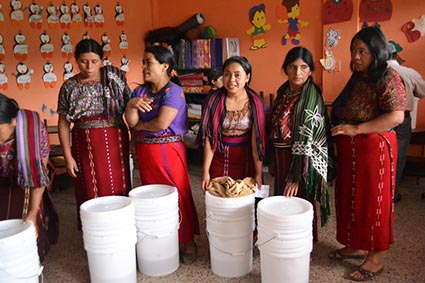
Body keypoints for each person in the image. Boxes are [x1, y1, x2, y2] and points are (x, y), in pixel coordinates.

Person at [329, 26, 406, 281]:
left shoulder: (387, 77)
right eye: (353, 51)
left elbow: (396, 116)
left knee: (372, 203)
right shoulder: (360, 78)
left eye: (362, 51)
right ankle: (357, 244)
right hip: (353, 151)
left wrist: (357, 129)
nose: (356, 57)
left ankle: (374, 259)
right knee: (351, 200)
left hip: (375, 152)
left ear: (377, 51)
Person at [125, 45, 200, 263]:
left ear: (164, 66)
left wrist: (139, 127)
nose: (144, 67)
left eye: (149, 62)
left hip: (168, 149)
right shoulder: (140, 92)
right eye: (144, 62)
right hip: (146, 150)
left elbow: (161, 123)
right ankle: (162, 240)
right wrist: (131, 105)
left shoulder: (173, 92)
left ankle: (187, 241)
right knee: (152, 197)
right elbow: (131, 121)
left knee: (178, 194)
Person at [57, 38, 131, 229]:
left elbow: (130, 110)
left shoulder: (115, 80)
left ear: (102, 60)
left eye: (94, 61)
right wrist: (67, 156)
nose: (89, 67)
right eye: (83, 61)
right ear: (76, 60)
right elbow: (64, 123)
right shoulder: (69, 87)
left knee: (118, 185)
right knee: (88, 188)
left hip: (115, 140)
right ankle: (94, 231)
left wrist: (136, 143)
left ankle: (121, 228)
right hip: (84, 143)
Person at [267, 46, 335, 244]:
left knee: (301, 200)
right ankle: (284, 239)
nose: (298, 73)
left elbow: (308, 138)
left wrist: (296, 176)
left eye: (303, 67)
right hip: (281, 156)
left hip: (302, 161)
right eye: (292, 67)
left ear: (310, 70)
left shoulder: (311, 97)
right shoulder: (284, 92)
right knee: (282, 198)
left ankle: (303, 242)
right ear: (285, 69)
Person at [0, 93, 59, 262]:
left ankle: (32, 262)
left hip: (29, 180)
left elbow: (38, 175)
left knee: (25, 225)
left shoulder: (32, 129)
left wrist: (33, 212)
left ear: (13, 121)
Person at [199, 56, 266, 191]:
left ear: (247, 77)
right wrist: (205, 171)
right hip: (219, 156)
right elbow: (209, 138)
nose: (231, 80)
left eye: (237, 75)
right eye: (227, 74)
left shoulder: (255, 102)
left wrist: (258, 173)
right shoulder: (213, 100)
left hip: (246, 158)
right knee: (219, 197)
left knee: (245, 199)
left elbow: (256, 141)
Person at [387, 40, 425, 203]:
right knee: (398, 157)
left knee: (376, 154)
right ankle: (391, 194)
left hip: (377, 119)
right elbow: (422, 92)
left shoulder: (372, 72)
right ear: (397, 55)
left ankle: (377, 192)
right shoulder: (408, 72)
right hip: (402, 118)